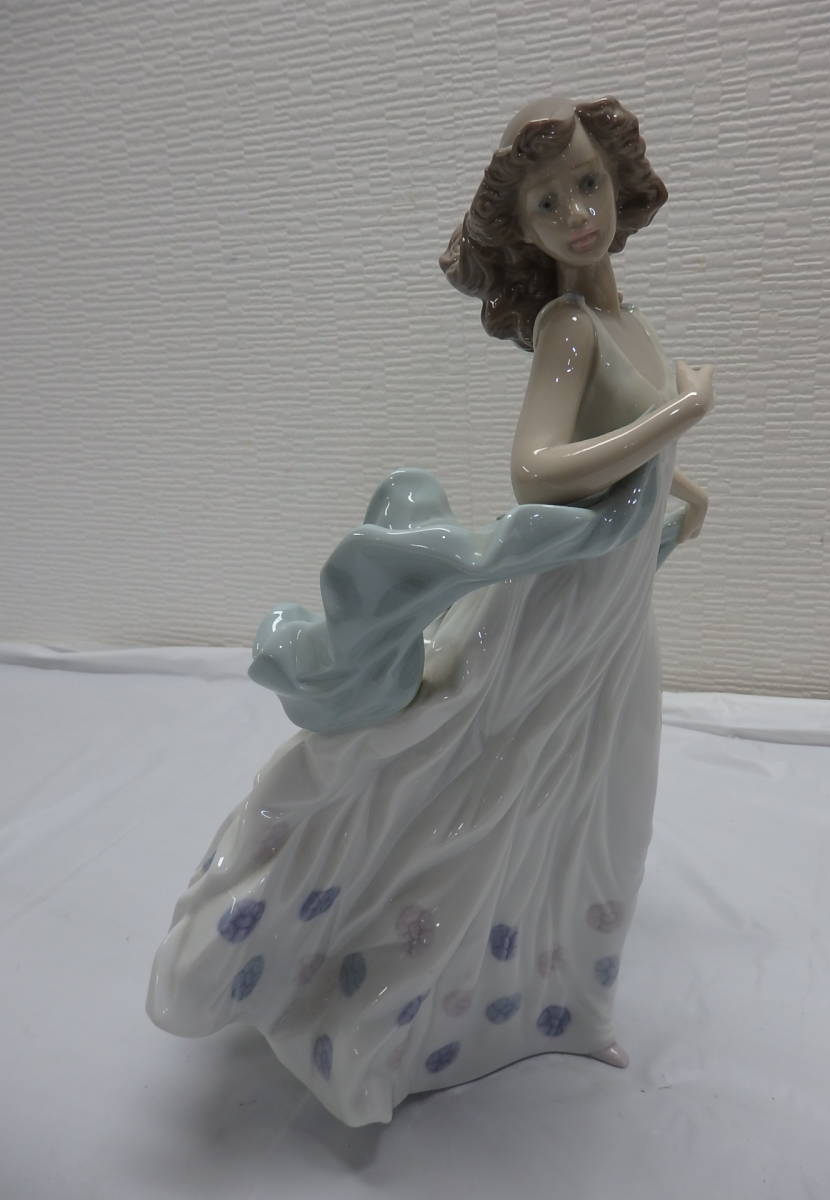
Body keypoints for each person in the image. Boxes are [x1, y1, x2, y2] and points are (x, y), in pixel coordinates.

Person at [147, 95, 714, 1128]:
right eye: (548, 203)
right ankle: (394, 1004)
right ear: (524, 230)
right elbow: (537, 469)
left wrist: (680, 486)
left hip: (616, 611)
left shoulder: (624, 319)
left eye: (587, 184)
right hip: (565, 613)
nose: (578, 214)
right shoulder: (568, 328)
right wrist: (679, 413)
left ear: (619, 183)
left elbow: (623, 448)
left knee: (603, 796)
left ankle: (565, 997)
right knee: (497, 789)